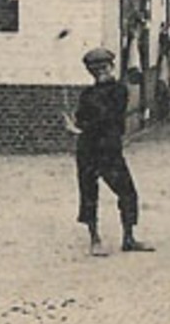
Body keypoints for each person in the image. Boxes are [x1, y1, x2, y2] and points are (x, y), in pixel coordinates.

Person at [60, 48, 155, 256]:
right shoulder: (87, 94)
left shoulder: (119, 91)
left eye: (104, 67)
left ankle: (128, 238)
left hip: (109, 150)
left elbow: (107, 117)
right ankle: (95, 239)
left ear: (112, 67)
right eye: (95, 69)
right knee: (89, 194)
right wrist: (75, 125)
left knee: (128, 192)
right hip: (88, 150)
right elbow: (83, 117)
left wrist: (81, 127)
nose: (101, 72)